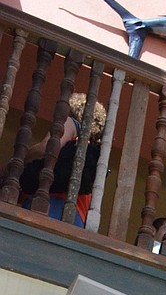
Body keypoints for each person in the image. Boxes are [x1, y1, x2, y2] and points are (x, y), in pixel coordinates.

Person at [18, 92, 106, 226]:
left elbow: (47, 148)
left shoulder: (71, 123)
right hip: (76, 217)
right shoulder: (93, 150)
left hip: (49, 205)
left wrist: (19, 160)